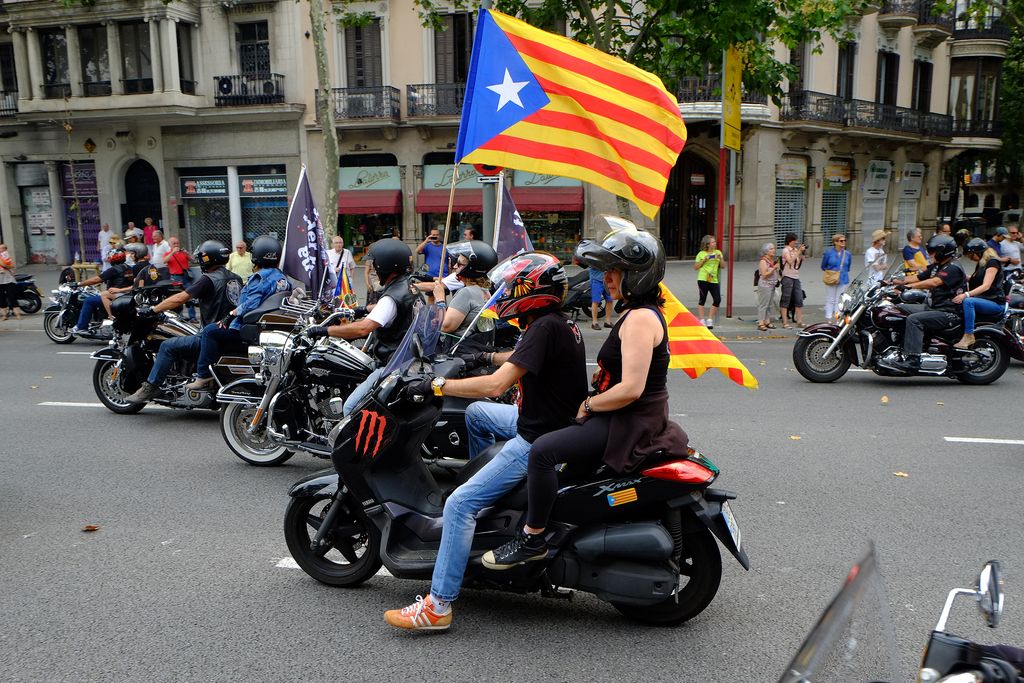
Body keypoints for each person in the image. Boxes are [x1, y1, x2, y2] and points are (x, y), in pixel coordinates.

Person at [383, 251, 587, 631]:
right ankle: (494, 509)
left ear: (530, 290)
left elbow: (497, 386)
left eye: (511, 287)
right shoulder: (558, 323)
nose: (503, 292)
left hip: (536, 437)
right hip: (548, 422)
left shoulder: (543, 327)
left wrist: (435, 384)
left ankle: (438, 607)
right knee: (477, 415)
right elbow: (520, 359)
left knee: (459, 503)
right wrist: (486, 355)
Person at [481, 224, 687, 569]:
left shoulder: (638, 319)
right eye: (605, 271)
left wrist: (589, 404)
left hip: (629, 420)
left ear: (636, 275)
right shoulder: (640, 314)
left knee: (544, 452)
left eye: (614, 271)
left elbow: (632, 389)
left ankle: (533, 539)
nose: (606, 278)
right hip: (632, 414)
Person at [306, 239, 421, 415]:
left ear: (386, 265)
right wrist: (362, 309)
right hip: (407, 358)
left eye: (375, 264)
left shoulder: (390, 298)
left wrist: (323, 330)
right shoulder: (408, 287)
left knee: (350, 408)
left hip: (391, 364)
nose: (373, 268)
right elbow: (392, 308)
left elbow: (362, 329)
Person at [127, 241, 244, 402]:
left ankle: (151, 387)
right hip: (228, 332)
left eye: (201, 258)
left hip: (210, 336)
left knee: (167, 346)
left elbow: (181, 298)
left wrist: (154, 309)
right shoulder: (235, 278)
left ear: (208, 259)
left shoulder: (208, 279)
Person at [185, 236, 290, 391]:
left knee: (209, 331)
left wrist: (231, 314)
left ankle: (203, 375)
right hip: (263, 327)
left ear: (257, 256)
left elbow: (251, 304)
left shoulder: (259, 278)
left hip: (246, 328)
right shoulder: (282, 278)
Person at [878, 234, 966, 373]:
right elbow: (918, 277)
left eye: (932, 252)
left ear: (943, 251)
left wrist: (910, 287)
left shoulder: (953, 268)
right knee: (898, 309)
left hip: (948, 313)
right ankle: (900, 348)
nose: (929, 254)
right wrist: (891, 282)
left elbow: (934, 282)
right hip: (932, 307)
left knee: (914, 320)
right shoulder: (938, 266)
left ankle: (913, 360)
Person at [432, 240, 498, 352]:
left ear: (472, 267)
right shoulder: (485, 291)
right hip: (477, 351)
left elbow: (446, 327)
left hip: (459, 353)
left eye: (460, 264)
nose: (454, 266)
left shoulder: (467, 293)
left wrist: (440, 299)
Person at [952, 238, 1006, 349]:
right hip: (984, 300)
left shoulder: (992, 262)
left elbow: (986, 286)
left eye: (972, 256)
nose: (971, 259)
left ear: (979, 252)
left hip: (994, 303)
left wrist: (966, 294)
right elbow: (972, 279)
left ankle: (969, 335)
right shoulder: (982, 264)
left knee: (968, 302)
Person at [71, 246, 138, 333]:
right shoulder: (129, 268)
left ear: (112, 258)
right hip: (126, 295)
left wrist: (79, 284)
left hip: (115, 296)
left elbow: (96, 279)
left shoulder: (113, 270)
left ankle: (81, 326)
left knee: (88, 301)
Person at [694, 235, 724, 329]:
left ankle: (710, 319)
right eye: (713, 242)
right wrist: (704, 260)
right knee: (702, 298)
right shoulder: (701, 254)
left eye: (715, 242)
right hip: (703, 278)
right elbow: (695, 267)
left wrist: (720, 259)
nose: (715, 243)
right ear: (707, 244)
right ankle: (702, 319)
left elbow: (723, 266)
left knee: (717, 299)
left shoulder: (718, 252)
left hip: (713, 279)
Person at [821, 233, 852, 320]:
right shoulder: (828, 253)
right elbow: (823, 266)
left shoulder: (847, 254)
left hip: (843, 278)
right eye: (841, 241)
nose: (843, 242)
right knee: (830, 299)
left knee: (839, 299)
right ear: (835, 242)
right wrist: (832, 272)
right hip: (831, 278)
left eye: (844, 240)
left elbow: (848, 266)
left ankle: (837, 318)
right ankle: (829, 318)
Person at [165, 237, 197, 322]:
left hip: (186, 276)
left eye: (177, 243)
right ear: (170, 245)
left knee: (190, 296)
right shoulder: (168, 253)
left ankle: (192, 317)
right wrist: (172, 253)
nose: (176, 245)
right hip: (176, 277)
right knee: (177, 296)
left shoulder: (183, 253)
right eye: (174, 243)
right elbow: (165, 260)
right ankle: (179, 316)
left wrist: (188, 254)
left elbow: (193, 260)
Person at [779, 233, 806, 328]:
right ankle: (785, 323)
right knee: (786, 299)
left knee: (799, 299)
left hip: (796, 277)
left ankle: (799, 321)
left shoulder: (795, 250)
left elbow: (800, 261)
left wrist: (802, 253)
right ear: (790, 240)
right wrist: (798, 252)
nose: (796, 243)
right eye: (795, 241)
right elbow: (790, 261)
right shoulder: (785, 250)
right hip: (787, 277)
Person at [756, 243, 780, 331]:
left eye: (774, 248)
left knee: (770, 304)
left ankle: (767, 321)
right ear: (766, 251)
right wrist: (773, 269)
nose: (773, 250)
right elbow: (764, 275)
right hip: (765, 285)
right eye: (771, 249)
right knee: (763, 305)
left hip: (772, 285)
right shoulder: (763, 261)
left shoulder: (771, 261)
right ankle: (761, 322)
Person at [588, 264, 615, 330]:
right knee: (596, 301)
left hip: (608, 279)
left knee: (610, 300)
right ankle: (594, 322)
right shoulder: (592, 254)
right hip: (596, 279)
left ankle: (607, 321)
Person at [0, 244, 23, 320]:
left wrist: (3, 264)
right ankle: (4, 315)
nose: (1, 250)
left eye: (2, 248)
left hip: (8, 279)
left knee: (12, 297)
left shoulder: (6, 256)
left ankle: (17, 314)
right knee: (1, 298)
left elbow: (10, 265)